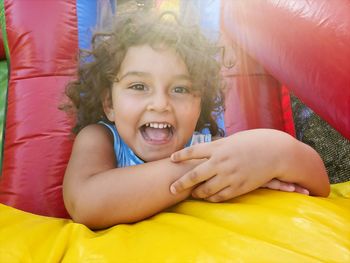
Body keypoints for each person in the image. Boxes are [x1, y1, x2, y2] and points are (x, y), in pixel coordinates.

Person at [63, 11, 330, 229]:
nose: (160, 104)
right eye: (138, 86)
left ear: (198, 102)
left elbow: (319, 183)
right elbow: (85, 203)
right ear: (109, 103)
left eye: (180, 89)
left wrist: (273, 153)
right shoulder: (101, 139)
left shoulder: (205, 145)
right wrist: (201, 173)